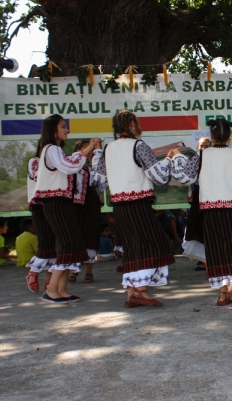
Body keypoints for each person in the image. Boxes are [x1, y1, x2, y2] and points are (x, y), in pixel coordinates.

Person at [172, 119, 232, 306]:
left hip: (210, 210)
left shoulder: (201, 156)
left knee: (216, 250)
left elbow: (183, 177)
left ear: (212, 136)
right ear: (230, 136)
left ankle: (223, 293)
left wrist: (178, 157)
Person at [91, 110, 174, 308]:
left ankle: (131, 292)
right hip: (138, 203)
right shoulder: (139, 146)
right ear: (131, 124)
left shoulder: (109, 148)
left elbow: (99, 181)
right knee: (151, 244)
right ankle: (141, 291)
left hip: (119, 205)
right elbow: (159, 177)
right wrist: (169, 160)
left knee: (132, 246)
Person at [33, 114, 100, 304]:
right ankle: (51, 289)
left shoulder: (54, 150)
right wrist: (88, 148)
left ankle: (61, 289)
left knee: (69, 245)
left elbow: (70, 165)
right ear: (53, 129)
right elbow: (70, 166)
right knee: (68, 244)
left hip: (61, 203)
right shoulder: (51, 149)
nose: (66, 130)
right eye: (63, 127)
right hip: (55, 203)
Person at [69, 139, 103, 284]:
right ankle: (73, 270)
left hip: (91, 203)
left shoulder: (92, 169)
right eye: (85, 149)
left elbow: (100, 182)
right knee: (76, 237)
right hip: (77, 204)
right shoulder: (72, 166)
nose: (88, 152)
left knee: (91, 236)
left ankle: (89, 271)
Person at [24, 148, 54, 293]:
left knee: (56, 245)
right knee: (45, 243)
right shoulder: (35, 161)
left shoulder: (57, 160)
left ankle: (49, 280)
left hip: (54, 205)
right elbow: (38, 176)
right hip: (38, 205)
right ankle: (33, 272)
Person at [181, 136, 211, 269]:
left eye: (206, 146)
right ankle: (205, 259)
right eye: (201, 146)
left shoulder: (212, 160)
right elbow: (186, 177)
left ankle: (209, 260)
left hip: (211, 196)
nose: (203, 148)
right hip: (199, 195)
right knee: (198, 228)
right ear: (197, 147)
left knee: (208, 228)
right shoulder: (196, 158)